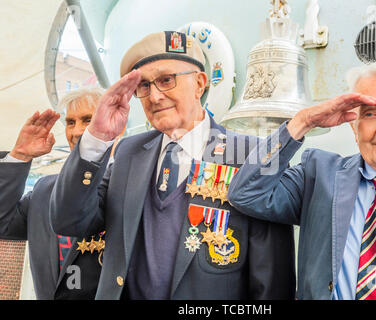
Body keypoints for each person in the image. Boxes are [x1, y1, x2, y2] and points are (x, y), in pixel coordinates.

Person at [49, 31, 295, 300]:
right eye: (144, 86)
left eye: (166, 80)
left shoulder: (249, 154)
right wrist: (96, 139)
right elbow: (70, 221)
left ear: (200, 84)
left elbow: (271, 280)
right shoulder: (129, 153)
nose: (154, 97)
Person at [227, 60, 376, 300]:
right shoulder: (319, 175)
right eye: (370, 114)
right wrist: (303, 122)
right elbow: (246, 193)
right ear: (354, 127)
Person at [0, 88, 105, 299]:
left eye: (88, 120)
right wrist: (19, 155)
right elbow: (3, 223)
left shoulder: (130, 184)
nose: (76, 131)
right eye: (70, 122)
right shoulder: (44, 190)